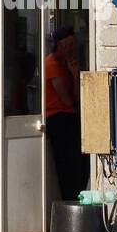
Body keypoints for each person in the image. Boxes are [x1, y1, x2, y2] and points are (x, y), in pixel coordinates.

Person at [44, 26, 87, 199]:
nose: (72, 48)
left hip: (70, 116)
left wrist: (75, 74)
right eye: (68, 44)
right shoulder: (52, 65)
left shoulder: (66, 65)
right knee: (68, 164)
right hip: (58, 119)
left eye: (73, 44)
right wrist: (75, 75)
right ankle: (69, 199)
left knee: (80, 162)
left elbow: (76, 97)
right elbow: (68, 100)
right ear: (59, 45)